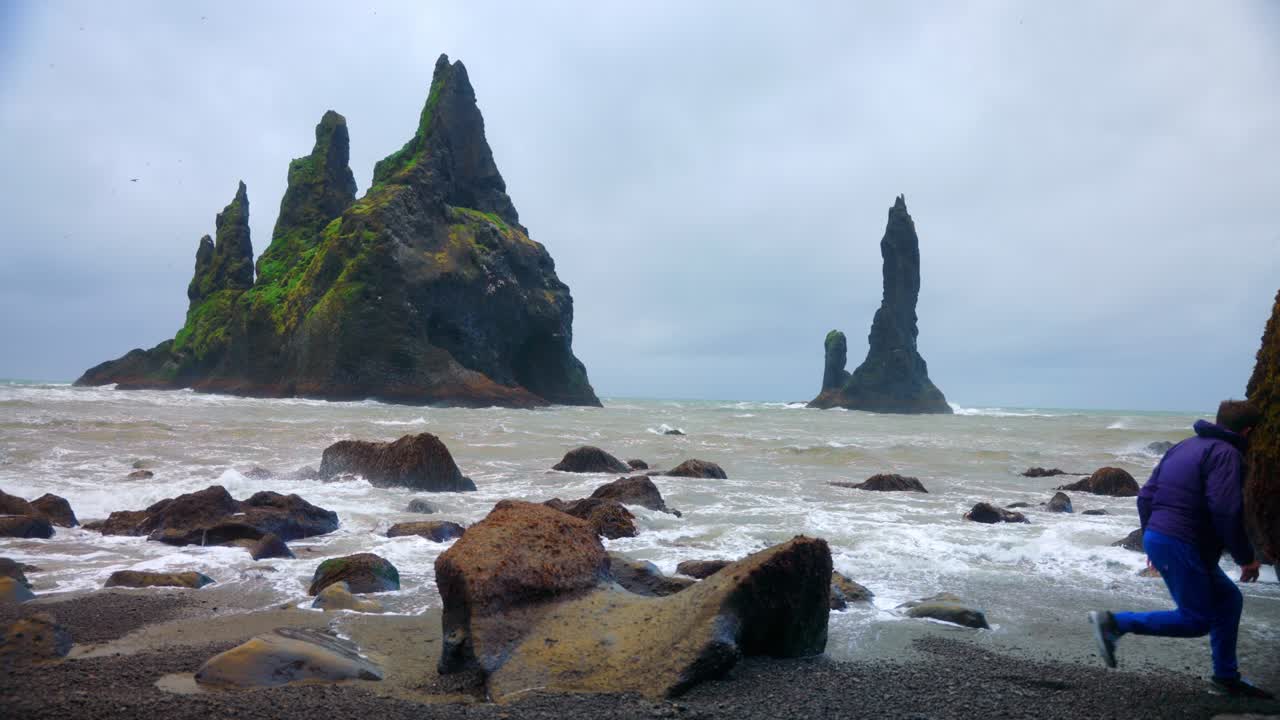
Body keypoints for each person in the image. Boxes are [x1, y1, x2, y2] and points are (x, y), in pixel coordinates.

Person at [1089, 400, 1271, 699]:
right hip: (1183, 542)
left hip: (1166, 538)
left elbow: (1145, 495)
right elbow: (1225, 509)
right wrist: (1245, 558)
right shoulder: (1226, 454)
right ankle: (1113, 623)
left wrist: (1150, 537)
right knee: (1195, 619)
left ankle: (1226, 677)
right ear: (1249, 431)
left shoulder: (1184, 447)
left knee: (1228, 600)